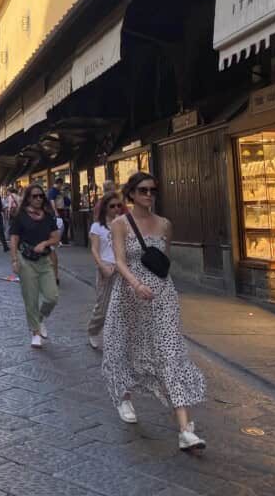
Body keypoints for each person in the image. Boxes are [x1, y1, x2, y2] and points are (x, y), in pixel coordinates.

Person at [102, 172, 207, 451]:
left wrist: (156, 286)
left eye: (153, 190)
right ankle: (124, 396)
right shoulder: (120, 224)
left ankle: (185, 429)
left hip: (162, 297)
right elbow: (121, 261)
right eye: (144, 190)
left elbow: (164, 261)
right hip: (129, 295)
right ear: (132, 194)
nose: (149, 195)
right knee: (125, 346)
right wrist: (136, 284)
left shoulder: (165, 225)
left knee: (170, 354)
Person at [9, 185, 61, 348]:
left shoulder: (48, 217)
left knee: (52, 297)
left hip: (44, 261)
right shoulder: (21, 216)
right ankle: (35, 332)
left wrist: (45, 243)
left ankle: (40, 318)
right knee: (30, 298)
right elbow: (14, 239)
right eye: (35, 196)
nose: (38, 199)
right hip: (26, 260)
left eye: (40, 196)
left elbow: (56, 238)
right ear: (28, 198)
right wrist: (14, 260)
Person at [86, 190, 122, 350]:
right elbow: (94, 249)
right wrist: (102, 266)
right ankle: (93, 330)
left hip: (121, 268)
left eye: (118, 206)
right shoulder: (97, 226)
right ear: (105, 208)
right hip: (105, 268)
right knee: (103, 306)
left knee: (121, 305)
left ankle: (117, 337)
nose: (116, 209)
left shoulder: (122, 225)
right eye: (112, 206)